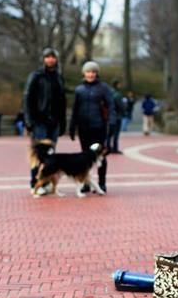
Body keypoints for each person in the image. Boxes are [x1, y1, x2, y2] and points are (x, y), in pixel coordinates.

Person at [23, 47, 67, 191]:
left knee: (51, 155)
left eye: (53, 57)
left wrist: (62, 122)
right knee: (38, 154)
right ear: (43, 59)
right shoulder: (36, 76)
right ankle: (34, 183)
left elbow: (62, 102)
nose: (50, 59)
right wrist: (29, 122)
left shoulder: (59, 77)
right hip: (39, 121)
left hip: (54, 122)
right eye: (47, 57)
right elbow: (27, 99)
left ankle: (46, 182)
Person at [69, 61, 113, 192]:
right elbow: (75, 109)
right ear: (84, 73)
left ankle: (102, 182)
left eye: (93, 72)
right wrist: (72, 126)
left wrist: (111, 122)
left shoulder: (103, 88)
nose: (91, 74)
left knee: (99, 155)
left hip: (98, 127)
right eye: (88, 72)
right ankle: (86, 183)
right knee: (85, 157)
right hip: (84, 128)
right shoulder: (79, 90)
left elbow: (111, 106)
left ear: (97, 73)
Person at [107, 80, 125, 154]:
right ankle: (115, 148)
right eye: (120, 84)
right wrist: (124, 111)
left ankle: (108, 147)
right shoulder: (117, 94)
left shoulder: (108, 92)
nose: (121, 86)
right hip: (117, 116)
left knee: (109, 134)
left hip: (110, 115)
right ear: (117, 85)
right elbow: (121, 106)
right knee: (116, 134)